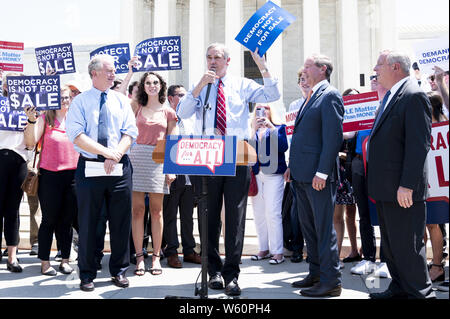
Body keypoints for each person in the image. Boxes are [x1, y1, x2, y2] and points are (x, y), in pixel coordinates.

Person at [177, 43, 280, 296]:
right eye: (209, 57)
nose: (212, 62)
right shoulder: (200, 86)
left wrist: (262, 65)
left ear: (228, 61)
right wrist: (199, 86)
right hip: (208, 156)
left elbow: (272, 94)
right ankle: (212, 271)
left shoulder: (242, 84)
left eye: (217, 58)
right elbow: (182, 112)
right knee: (208, 216)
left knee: (235, 217)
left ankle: (232, 274)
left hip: (237, 156)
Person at [65, 54, 138, 292]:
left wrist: (116, 153)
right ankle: (86, 273)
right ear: (94, 73)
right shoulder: (80, 102)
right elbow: (77, 135)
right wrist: (107, 152)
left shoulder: (120, 100)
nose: (113, 74)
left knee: (120, 222)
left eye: (114, 70)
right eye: (108, 71)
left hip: (119, 167)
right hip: (90, 167)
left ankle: (119, 270)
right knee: (89, 223)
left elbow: (130, 132)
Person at [367, 50, 434, 299]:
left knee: (407, 247)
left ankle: (420, 293)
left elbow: (418, 145)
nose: (375, 69)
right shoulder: (393, 95)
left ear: (395, 67)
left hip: (402, 190)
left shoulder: (413, 96)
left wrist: (407, 185)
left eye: (379, 65)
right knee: (393, 247)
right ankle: (400, 288)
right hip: (387, 189)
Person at [285, 53, 344, 298]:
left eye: (308, 66)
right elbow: (303, 137)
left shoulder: (330, 95)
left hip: (318, 177)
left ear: (322, 69)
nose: (304, 70)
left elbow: (332, 138)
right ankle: (316, 272)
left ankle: (331, 281)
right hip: (301, 175)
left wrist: (322, 171)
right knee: (309, 228)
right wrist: (292, 166)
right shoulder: (311, 96)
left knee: (322, 228)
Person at [23, 86, 78, 276]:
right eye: (61, 97)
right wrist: (31, 120)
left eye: (67, 97)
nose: (65, 101)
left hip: (73, 176)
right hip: (50, 176)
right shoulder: (45, 118)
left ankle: (64, 260)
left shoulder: (76, 117)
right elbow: (30, 142)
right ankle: (45, 262)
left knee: (67, 220)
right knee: (49, 219)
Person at [129, 72, 177, 276]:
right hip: (136, 158)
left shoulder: (168, 112)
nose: (152, 85)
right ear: (143, 86)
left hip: (158, 159)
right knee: (137, 211)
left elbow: (173, 139)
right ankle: (140, 257)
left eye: (155, 82)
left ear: (161, 86)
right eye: (148, 82)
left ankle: (156, 257)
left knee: (157, 212)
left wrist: (171, 167)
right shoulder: (135, 106)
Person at [349, 75, 390, 278]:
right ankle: (369, 258)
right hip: (359, 161)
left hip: (380, 162)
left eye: (377, 77)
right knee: (363, 213)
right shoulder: (362, 103)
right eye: (372, 78)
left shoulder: (390, 102)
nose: (374, 80)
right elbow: (347, 134)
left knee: (383, 212)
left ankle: (387, 260)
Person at [162, 84, 201, 268]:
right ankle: (171, 252)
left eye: (186, 95)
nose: (184, 98)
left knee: (187, 216)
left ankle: (189, 251)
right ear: (170, 98)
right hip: (171, 174)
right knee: (170, 215)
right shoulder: (166, 117)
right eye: (180, 95)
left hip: (190, 175)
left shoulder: (191, 119)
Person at [250, 103, 288, 264]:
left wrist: (271, 128)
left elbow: (283, 146)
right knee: (259, 214)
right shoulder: (252, 129)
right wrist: (253, 130)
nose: (262, 111)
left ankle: (278, 252)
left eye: (265, 108)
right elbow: (247, 149)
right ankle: (263, 248)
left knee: (273, 212)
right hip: (256, 174)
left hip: (274, 174)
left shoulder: (279, 128)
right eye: (259, 109)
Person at [0, 72, 29, 272]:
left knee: (13, 210)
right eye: (9, 83)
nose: (13, 86)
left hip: (19, 160)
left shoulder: (27, 107)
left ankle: (12, 257)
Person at [334, 88, 360, 269]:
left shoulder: (362, 120)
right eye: (349, 98)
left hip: (355, 171)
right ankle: (335, 255)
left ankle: (355, 251)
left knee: (353, 214)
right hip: (339, 172)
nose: (352, 101)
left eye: (355, 98)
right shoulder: (338, 119)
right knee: (337, 215)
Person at [285, 69, 310, 263]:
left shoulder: (320, 101)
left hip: (315, 165)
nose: (304, 82)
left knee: (314, 211)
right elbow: (291, 139)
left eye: (307, 79)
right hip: (297, 164)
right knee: (296, 210)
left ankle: (315, 250)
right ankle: (296, 247)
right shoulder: (294, 105)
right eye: (301, 79)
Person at [423, 91, 447, 283]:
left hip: (440, 187)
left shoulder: (443, 126)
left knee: (433, 224)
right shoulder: (422, 126)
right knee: (424, 225)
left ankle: (438, 266)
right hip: (426, 183)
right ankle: (423, 264)